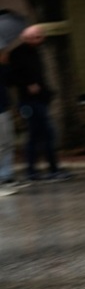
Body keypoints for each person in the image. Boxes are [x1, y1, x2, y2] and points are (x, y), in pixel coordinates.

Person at [8, 25, 70, 182]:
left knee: (41, 135)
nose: (40, 39)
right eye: (37, 36)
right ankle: (44, 169)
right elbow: (12, 77)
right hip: (29, 101)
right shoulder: (18, 54)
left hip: (39, 99)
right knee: (42, 135)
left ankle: (41, 169)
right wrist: (29, 85)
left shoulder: (35, 52)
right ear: (28, 38)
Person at [0, 47, 20, 194]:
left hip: (3, 108)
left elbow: (10, 81)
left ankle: (6, 176)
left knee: (7, 142)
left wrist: (5, 64)